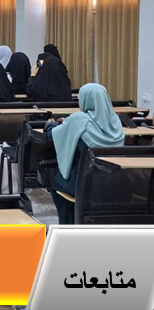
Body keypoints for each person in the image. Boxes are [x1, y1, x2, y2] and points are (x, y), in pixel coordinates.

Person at [45, 83, 124, 224]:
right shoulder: (115, 120)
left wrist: (50, 124)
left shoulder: (79, 119)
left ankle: (68, 226)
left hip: (84, 182)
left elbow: (52, 135)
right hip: (115, 181)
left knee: (57, 183)